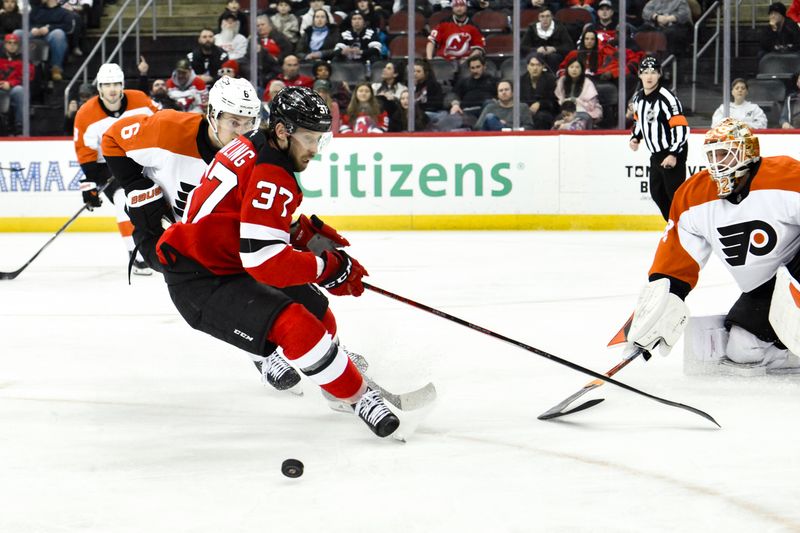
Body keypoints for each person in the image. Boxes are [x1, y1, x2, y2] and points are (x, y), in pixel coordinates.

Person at [151, 86, 402, 438]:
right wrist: (327, 268)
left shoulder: (258, 141)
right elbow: (265, 262)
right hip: (201, 279)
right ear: (283, 131)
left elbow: (248, 212)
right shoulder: (274, 173)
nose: (315, 150)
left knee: (318, 311)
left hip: (227, 256)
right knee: (298, 326)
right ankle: (359, 400)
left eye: (320, 140)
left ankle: (333, 377)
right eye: (309, 139)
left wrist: (304, 234)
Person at [621, 118, 800, 374]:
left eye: (726, 155)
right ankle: (788, 353)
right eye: (713, 156)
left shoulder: (786, 175)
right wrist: (659, 309)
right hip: (766, 289)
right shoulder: (693, 195)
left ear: (747, 153)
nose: (718, 164)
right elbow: (677, 259)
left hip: (795, 272)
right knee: (742, 349)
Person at [101, 75, 261, 282]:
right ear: (212, 115)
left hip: (213, 242)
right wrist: (135, 185)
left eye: (249, 123)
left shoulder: (255, 154)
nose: (242, 133)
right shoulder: (168, 129)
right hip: (161, 235)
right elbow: (112, 138)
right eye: (234, 122)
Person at [73, 63, 160, 275]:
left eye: (116, 84)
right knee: (124, 201)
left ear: (122, 85)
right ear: (99, 88)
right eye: (106, 85)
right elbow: (85, 152)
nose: (112, 89)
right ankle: (136, 256)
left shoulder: (139, 100)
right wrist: (90, 185)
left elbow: (161, 121)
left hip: (141, 159)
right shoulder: (86, 114)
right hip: (108, 166)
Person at [629, 55, 689, 221]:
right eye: (645, 72)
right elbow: (639, 120)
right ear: (640, 75)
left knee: (675, 196)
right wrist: (636, 137)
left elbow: (681, 127)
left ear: (660, 74)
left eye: (653, 72)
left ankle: (686, 230)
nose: (649, 76)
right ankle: (674, 226)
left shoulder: (667, 98)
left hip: (672, 153)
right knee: (657, 193)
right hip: (656, 154)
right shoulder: (638, 98)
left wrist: (674, 154)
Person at [521, 7, 574, 72]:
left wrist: (554, 49)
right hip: (536, 54)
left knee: (553, 57)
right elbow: (523, 47)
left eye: (547, 16)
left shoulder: (560, 28)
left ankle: (554, 78)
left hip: (555, 56)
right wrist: (536, 49)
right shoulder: (532, 28)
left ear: (552, 17)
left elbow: (569, 46)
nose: (545, 19)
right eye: (542, 16)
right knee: (535, 57)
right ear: (539, 18)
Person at [28, 0, 71, 81]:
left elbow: (68, 27)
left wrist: (49, 28)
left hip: (51, 36)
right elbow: (28, 23)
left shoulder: (63, 12)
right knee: (17, 33)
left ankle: (56, 68)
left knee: (58, 34)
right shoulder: (36, 10)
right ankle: (18, 67)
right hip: (35, 35)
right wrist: (32, 29)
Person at [0, 33, 33, 136]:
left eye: (15, 43)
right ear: (5, 45)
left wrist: (10, 84)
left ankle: (20, 128)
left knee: (20, 91)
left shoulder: (24, 60)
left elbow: (28, 77)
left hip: (14, 88)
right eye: (9, 43)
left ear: (18, 45)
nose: (12, 45)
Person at [554, 57, 603, 127]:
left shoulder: (588, 83)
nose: (574, 70)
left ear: (582, 69)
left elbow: (591, 106)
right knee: (558, 120)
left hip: (584, 112)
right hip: (566, 112)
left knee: (582, 119)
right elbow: (558, 99)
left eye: (577, 67)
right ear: (567, 69)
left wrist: (576, 101)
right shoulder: (562, 81)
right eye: (571, 67)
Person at [519, 53, 558, 130]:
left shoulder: (550, 79)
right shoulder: (521, 80)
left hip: (546, 112)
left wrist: (540, 104)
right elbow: (520, 100)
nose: (535, 68)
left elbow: (553, 101)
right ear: (527, 67)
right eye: (532, 65)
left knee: (541, 117)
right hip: (526, 111)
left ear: (543, 67)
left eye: (538, 65)